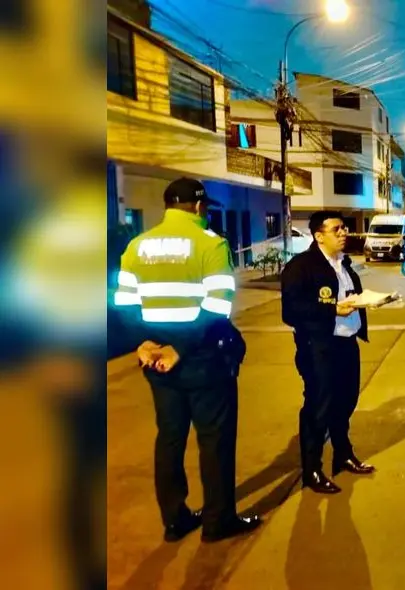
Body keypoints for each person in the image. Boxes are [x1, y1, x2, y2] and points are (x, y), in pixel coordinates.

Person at [112, 177, 260, 543]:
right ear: (197, 206)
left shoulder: (137, 245)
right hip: (202, 360)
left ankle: (175, 518)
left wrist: (144, 343)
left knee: (170, 438)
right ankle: (218, 519)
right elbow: (216, 306)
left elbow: (125, 304)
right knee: (215, 441)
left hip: (158, 364)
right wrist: (181, 348)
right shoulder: (210, 243)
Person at [281, 211, 375, 495]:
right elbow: (291, 311)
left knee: (346, 402)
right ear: (318, 235)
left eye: (345, 228)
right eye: (337, 229)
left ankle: (343, 454)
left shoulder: (344, 264)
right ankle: (311, 469)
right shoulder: (301, 267)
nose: (344, 232)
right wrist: (332, 309)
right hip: (319, 347)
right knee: (317, 407)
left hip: (347, 343)